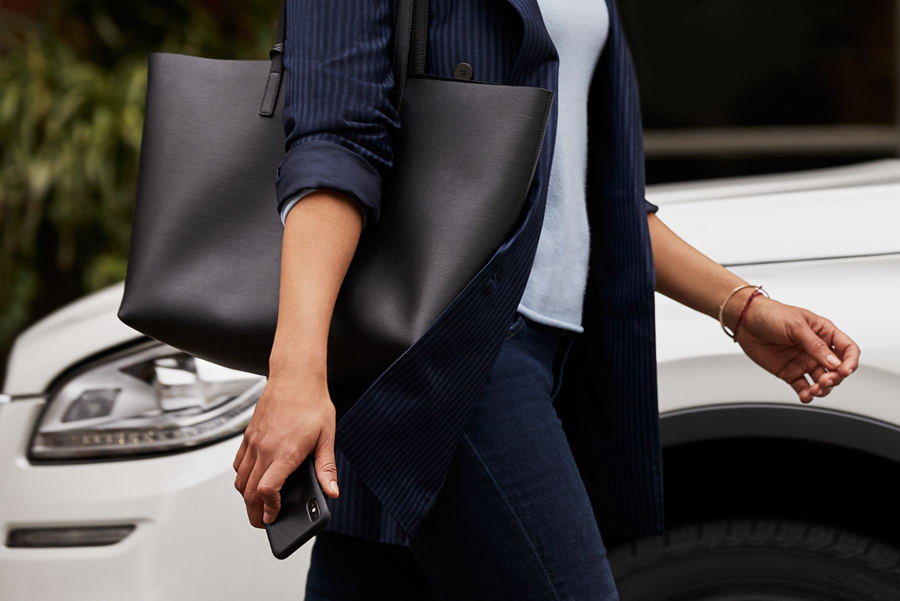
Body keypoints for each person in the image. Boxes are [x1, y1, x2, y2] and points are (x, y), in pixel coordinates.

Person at [233, 0, 861, 598]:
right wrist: (297, 369)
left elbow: (592, 196)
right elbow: (336, 148)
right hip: (454, 349)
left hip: (554, 354)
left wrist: (740, 306)